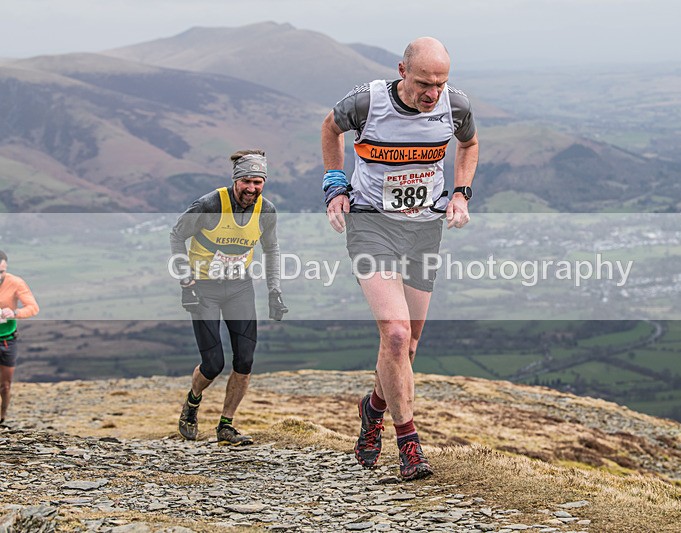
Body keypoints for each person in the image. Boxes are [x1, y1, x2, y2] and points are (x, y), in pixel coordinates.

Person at [320, 37, 479, 480]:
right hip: (372, 224)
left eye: (441, 84)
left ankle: (372, 409)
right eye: (425, 83)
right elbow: (329, 128)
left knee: (407, 347)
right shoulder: (366, 102)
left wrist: (461, 194)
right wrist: (335, 185)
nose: (433, 93)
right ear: (402, 71)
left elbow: (469, 146)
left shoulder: (456, 105)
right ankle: (409, 444)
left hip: (424, 228)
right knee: (393, 333)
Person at [169, 149, 288, 446]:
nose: (252, 188)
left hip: (239, 288)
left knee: (244, 360)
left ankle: (226, 424)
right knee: (213, 363)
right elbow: (176, 235)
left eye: (258, 182)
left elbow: (271, 250)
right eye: (247, 181)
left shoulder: (266, 211)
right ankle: (192, 404)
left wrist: (274, 290)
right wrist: (186, 281)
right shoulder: (209, 204)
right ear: (236, 180)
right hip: (204, 288)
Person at [0, 250, 40, 426]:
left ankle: (2, 416)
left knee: (5, 385)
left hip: (7, 339)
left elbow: (33, 307)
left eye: (1, 271)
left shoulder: (15, 283)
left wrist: (14, 313)